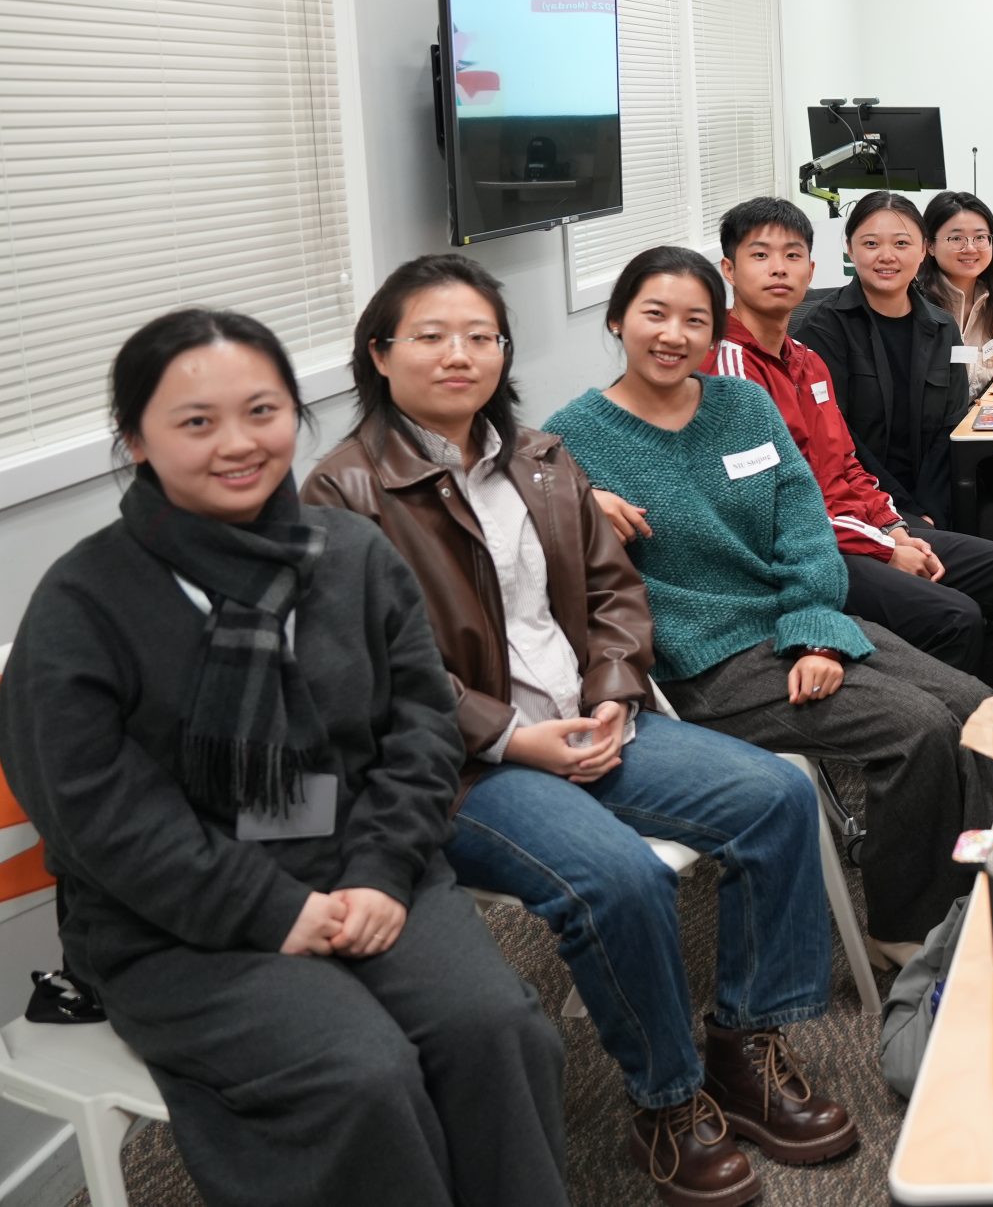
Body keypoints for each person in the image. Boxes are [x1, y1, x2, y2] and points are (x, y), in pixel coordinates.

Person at [305, 254, 859, 1206]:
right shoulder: (341, 492)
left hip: (589, 719)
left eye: (480, 336)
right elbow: (366, 672)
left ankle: (744, 1046)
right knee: (622, 876)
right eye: (431, 336)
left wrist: (611, 692)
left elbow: (613, 595)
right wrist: (508, 738)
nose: (459, 354)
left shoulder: (537, 457)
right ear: (379, 353)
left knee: (778, 794)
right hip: (461, 767)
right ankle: (668, 1099)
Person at [0, 310, 566, 1207]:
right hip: (177, 919)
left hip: (370, 866)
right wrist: (267, 907)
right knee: (361, 1073)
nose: (238, 443)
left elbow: (421, 725)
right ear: (135, 438)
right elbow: (93, 812)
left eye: (262, 411)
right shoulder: (84, 600)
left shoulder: (353, 555)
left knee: (496, 1027)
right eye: (196, 421)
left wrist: (382, 870)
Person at [547, 247, 993, 956]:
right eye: (655, 314)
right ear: (616, 320)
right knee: (917, 730)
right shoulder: (571, 439)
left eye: (695, 320)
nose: (674, 335)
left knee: (975, 704)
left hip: (793, 623)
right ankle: (905, 931)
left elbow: (805, 527)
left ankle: (974, 890)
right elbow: (513, 514)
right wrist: (576, 500)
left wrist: (815, 628)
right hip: (700, 661)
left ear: (714, 330)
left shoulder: (742, 405)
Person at [712, 198, 993, 686]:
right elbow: (779, 505)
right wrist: (889, 541)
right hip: (813, 550)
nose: (778, 268)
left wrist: (895, 526)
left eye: (792, 255)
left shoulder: (806, 360)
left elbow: (847, 461)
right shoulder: (746, 363)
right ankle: (955, 716)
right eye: (760, 255)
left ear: (811, 269)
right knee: (957, 616)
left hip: (871, 517)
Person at [794, 191, 993, 554]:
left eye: (901, 243)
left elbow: (950, 426)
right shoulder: (823, 329)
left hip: (937, 494)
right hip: (866, 503)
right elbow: (840, 440)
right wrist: (907, 509)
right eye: (871, 243)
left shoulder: (941, 326)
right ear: (849, 248)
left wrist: (932, 508)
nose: (887, 256)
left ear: (923, 249)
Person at [922, 189, 993, 400]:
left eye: (980, 237)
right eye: (956, 238)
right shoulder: (913, 306)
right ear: (930, 246)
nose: (970, 248)